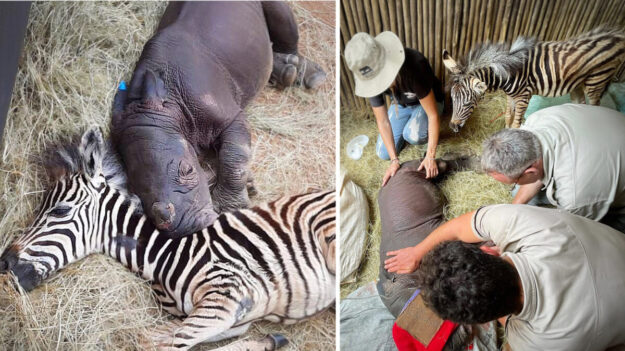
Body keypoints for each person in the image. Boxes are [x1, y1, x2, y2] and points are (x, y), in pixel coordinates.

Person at [384, 204, 625, 351]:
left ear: (485, 322)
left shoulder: (535, 344)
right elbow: (460, 227)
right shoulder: (528, 225)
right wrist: (419, 252)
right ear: (488, 250)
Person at [481, 103, 625, 231]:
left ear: (530, 172)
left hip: (599, 178)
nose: (515, 185)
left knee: (602, 232)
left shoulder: (574, 196)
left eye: (514, 182)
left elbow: (572, 234)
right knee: (521, 197)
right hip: (607, 132)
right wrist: (514, 210)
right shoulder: (536, 120)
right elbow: (537, 171)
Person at [344, 31, 444, 184]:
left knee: (413, 135)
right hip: (402, 105)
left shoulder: (414, 66)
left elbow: (432, 115)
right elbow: (383, 121)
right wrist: (394, 160)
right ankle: (404, 131)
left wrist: (430, 156)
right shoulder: (370, 77)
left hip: (427, 103)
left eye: (381, 78)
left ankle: (413, 133)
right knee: (382, 152)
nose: (378, 84)